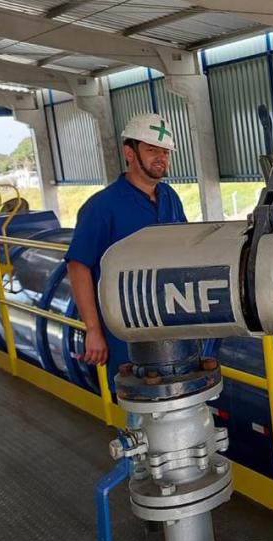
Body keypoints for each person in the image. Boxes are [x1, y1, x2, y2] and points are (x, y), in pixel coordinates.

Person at [66, 113, 187, 379]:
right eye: (152, 150)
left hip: (171, 322)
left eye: (166, 152)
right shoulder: (102, 207)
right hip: (125, 329)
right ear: (129, 153)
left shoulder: (170, 197)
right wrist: (93, 330)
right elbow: (78, 267)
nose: (161, 158)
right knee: (136, 399)